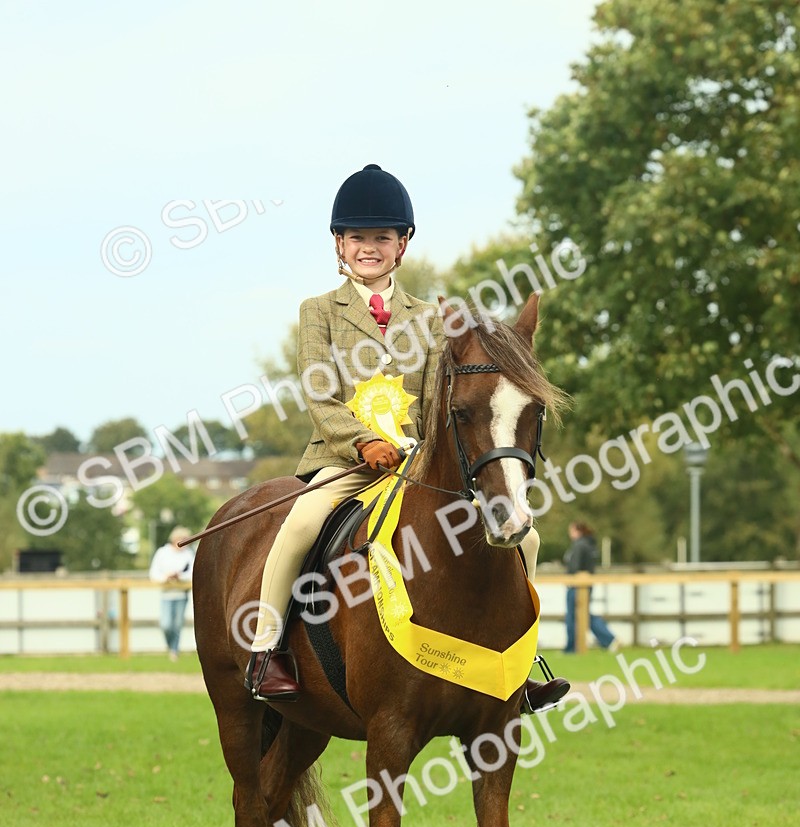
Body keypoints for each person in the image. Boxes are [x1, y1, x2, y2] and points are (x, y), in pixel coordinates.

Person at [245, 163, 568, 713]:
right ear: (339, 245)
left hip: (415, 464)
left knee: (528, 538)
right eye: (358, 238)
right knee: (299, 523)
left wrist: (424, 448)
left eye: (381, 238)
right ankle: (266, 648)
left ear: (402, 244)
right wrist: (362, 442)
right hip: (342, 462)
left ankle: (518, 664)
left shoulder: (431, 318)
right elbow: (319, 395)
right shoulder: (318, 312)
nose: (369, 247)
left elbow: (442, 399)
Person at [563, 521, 618, 653]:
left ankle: (572, 647)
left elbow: (574, 567)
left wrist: (569, 577)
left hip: (577, 585)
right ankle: (609, 639)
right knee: (584, 614)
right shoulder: (589, 545)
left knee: (573, 616)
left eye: (571, 531)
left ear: (577, 531)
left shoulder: (579, 545)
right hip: (586, 584)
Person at [149, 526, 194, 661]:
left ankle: (174, 651)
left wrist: (180, 576)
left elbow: (192, 572)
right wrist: (166, 577)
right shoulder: (162, 553)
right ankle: (171, 647)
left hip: (181, 594)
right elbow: (154, 573)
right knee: (166, 624)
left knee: (177, 624)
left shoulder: (188, 554)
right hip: (166, 594)